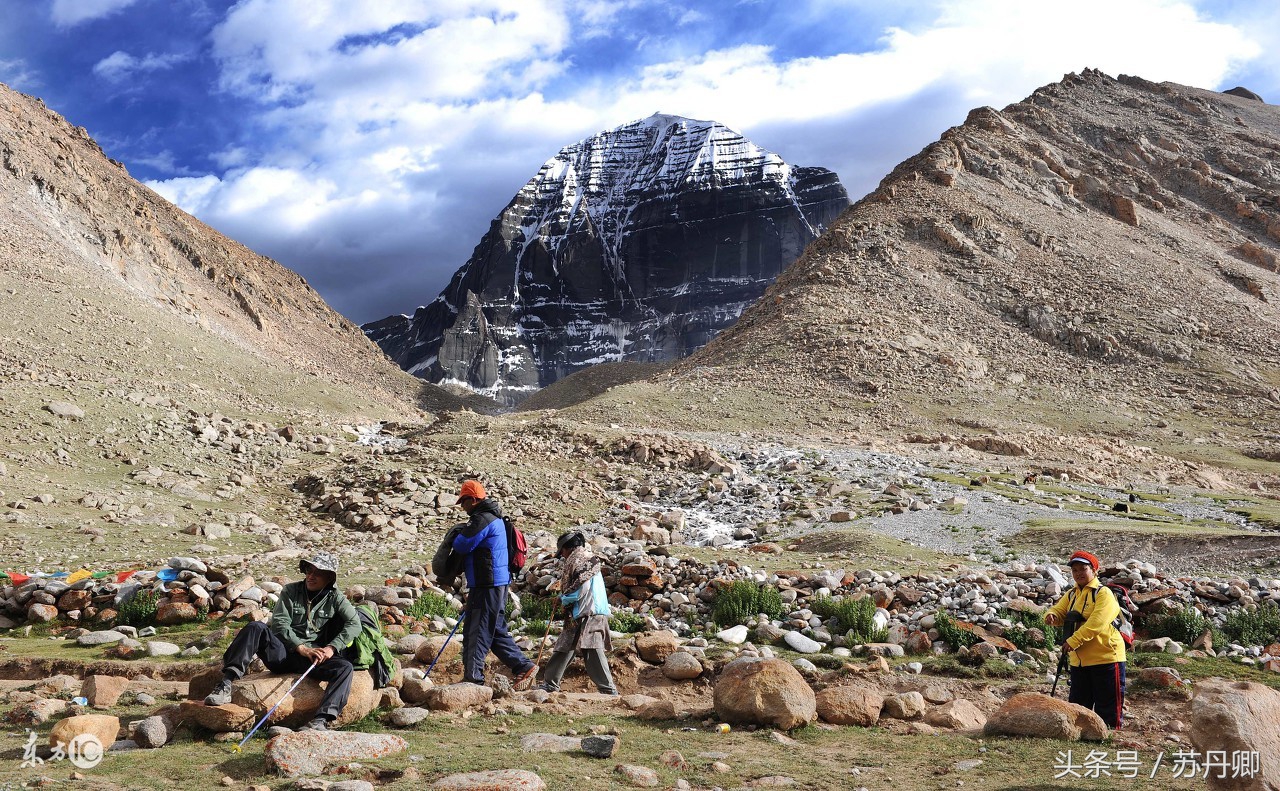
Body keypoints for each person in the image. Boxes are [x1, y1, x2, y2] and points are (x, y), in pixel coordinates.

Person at [203, 551, 360, 731]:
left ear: (329, 577)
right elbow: (279, 624)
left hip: (312, 659)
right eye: (309, 570)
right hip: (283, 653)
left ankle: (320, 721)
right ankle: (226, 684)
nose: (311, 576)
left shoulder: (336, 597)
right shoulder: (290, 591)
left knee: (344, 668)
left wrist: (332, 648)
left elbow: (354, 624)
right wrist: (300, 647)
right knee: (255, 628)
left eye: (318, 572)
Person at [450, 480, 537, 687]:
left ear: (473, 499)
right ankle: (523, 666)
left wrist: (457, 534)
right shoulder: (495, 518)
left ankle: (473, 679)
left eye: (463, 501)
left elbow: (462, 544)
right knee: (495, 630)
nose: (462, 506)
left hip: (486, 583)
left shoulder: (482, 518)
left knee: (476, 630)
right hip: (497, 583)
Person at [1044, 550, 1127, 728]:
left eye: (1083, 568)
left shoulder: (1103, 593)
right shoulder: (1073, 594)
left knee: (1108, 707)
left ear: (1094, 570)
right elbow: (1059, 610)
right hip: (1079, 661)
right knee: (1079, 705)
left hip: (1106, 658)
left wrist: (1073, 641)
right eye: (1075, 570)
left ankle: (1108, 739)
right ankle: (1082, 736)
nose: (1079, 573)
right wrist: (1051, 615)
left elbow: (1097, 623)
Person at [536, 530, 618, 695]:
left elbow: (583, 587)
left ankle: (608, 689)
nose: (563, 556)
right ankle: (550, 683)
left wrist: (564, 599)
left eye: (563, 552)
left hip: (589, 612)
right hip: (584, 611)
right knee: (565, 646)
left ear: (568, 548)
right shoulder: (586, 558)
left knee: (592, 649)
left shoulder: (580, 559)